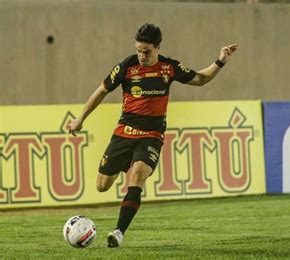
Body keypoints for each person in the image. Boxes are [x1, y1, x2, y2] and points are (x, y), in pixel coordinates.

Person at [67, 23, 237, 247]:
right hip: (124, 133)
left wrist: (220, 61)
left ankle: (118, 232)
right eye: (138, 50)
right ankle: (125, 162)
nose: (141, 55)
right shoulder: (127, 66)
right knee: (102, 185)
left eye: (146, 51)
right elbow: (101, 90)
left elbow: (201, 79)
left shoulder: (169, 67)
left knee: (137, 175)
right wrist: (81, 118)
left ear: (157, 47)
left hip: (152, 135)